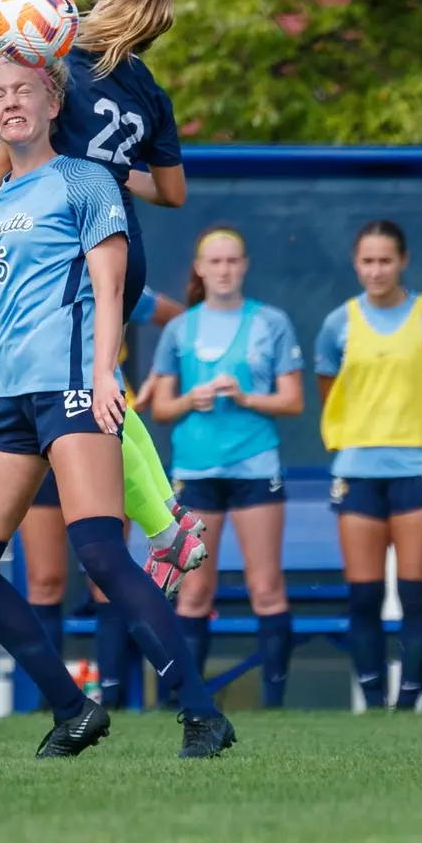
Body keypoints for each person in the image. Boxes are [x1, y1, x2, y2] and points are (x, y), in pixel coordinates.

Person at [0, 54, 233, 760]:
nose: (11, 103)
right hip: (5, 398)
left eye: (25, 91)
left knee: (99, 552)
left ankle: (201, 713)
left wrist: (104, 373)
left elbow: (110, 288)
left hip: (73, 384)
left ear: (53, 103)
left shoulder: (85, 178)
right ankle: (74, 710)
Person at [0, 0, 198, 579]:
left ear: (106, 9)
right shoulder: (150, 91)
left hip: (67, 240)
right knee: (101, 384)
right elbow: (172, 192)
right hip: (123, 240)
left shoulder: (66, 64)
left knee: (89, 395)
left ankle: (162, 526)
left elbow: (13, 141)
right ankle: (167, 514)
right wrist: (114, 171)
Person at [144, 225, 305, 708]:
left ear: (245, 265)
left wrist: (247, 397)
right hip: (196, 471)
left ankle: (275, 705)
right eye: (215, 262)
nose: (224, 270)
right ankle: (188, 703)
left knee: (266, 586)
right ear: (199, 268)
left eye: (232, 261)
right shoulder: (180, 328)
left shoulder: (271, 321)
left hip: (256, 467)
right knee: (194, 591)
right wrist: (190, 400)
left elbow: (293, 400)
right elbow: (161, 409)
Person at [314, 221, 422, 711]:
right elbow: (330, 391)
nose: (376, 271)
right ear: (356, 264)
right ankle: (374, 702)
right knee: (364, 594)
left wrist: (419, 434)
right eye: (368, 261)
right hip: (357, 467)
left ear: (403, 261)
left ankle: (410, 700)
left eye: (385, 261)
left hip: (418, 465)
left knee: (414, 592)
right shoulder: (338, 323)